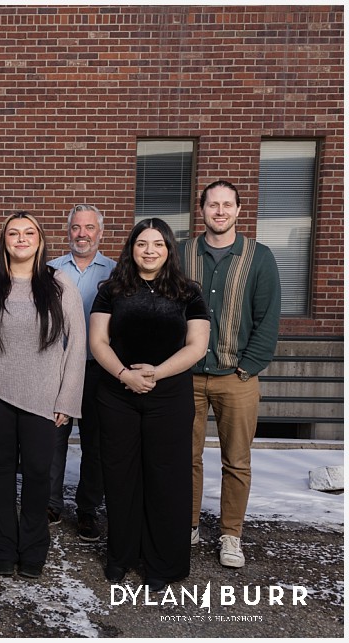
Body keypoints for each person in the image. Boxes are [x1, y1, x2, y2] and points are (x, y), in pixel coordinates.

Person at [0, 212, 86, 579]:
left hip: (44, 395)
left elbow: (76, 345)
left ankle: (32, 548)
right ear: (5, 241)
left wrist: (67, 399)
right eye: (14, 233)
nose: (22, 238)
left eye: (29, 232)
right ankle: (2, 547)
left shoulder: (59, 284)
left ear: (40, 240)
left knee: (38, 473)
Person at [90, 218, 210, 592]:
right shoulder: (111, 290)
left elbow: (197, 346)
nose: (150, 250)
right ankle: (121, 556)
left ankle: (163, 563)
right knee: (120, 476)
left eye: (158, 244)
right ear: (132, 248)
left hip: (169, 397)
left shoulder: (188, 293)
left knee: (166, 479)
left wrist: (156, 373)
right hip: (117, 395)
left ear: (169, 249)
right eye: (142, 243)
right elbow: (98, 341)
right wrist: (124, 374)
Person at [182, 180, 281, 568]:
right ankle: (188, 524)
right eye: (213, 205)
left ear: (239, 210)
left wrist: (249, 365)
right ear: (202, 210)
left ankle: (230, 534)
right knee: (185, 456)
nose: (220, 211)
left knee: (236, 461)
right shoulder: (182, 252)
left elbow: (267, 318)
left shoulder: (259, 257)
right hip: (187, 377)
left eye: (227, 205)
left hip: (236, 377)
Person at [46, 204, 117, 541]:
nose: (82, 234)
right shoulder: (50, 271)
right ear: (68, 231)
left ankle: (88, 509)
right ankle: (50, 504)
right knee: (53, 439)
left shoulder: (116, 272)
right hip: (58, 369)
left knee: (96, 444)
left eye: (89, 228)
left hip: (99, 370)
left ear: (100, 232)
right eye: (76, 227)